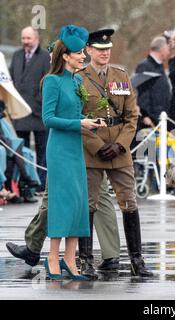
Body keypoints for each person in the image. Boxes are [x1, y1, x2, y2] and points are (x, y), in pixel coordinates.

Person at [78, 29, 152, 277]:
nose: (105, 53)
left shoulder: (120, 75)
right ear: (89, 50)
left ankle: (136, 260)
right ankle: (86, 261)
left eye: (108, 49)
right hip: (93, 149)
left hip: (119, 151)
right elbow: (76, 117)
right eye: (100, 50)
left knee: (129, 203)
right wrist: (98, 146)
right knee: (89, 205)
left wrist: (120, 144)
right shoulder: (79, 77)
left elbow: (132, 116)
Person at [41, 25, 106, 280]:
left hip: (75, 147)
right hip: (59, 149)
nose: (83, 56)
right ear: (66, 55)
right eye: (79, 53)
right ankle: (52, 257)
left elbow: (74, 115)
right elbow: (48, 119)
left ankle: (70, 257)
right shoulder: (52, 81)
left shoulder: (78, 80)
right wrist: (79, 124)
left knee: (79, 202)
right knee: (62, 202)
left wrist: (89, 120)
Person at [9, 26, 50, 192]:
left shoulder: (46, 57)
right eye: (23, 38)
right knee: (22, 151)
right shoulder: (17, 55)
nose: (25, 42)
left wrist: (37, 104)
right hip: (20, 113)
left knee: (42, 152)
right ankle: (25, 184)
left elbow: (48, 83)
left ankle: (41, 185)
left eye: (29, 38)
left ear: (36, 39)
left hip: (38, 113)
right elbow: (11, 81)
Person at [135, 36, 171, 126]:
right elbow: (142, 93)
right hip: (150, 120)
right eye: (167, 49)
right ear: (161, 49)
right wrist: (145, 115)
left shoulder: (160, 66)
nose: (168, 52)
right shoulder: (144, 66)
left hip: (161, 117)